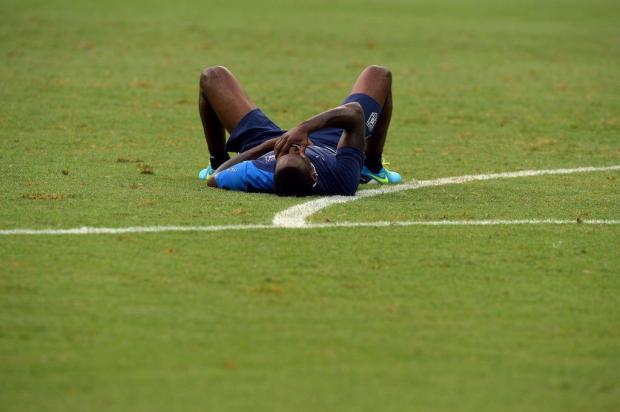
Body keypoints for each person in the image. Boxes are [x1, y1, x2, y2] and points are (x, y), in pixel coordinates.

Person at [197, 65, 401, 196]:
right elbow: (355, 113)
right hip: (333, 145)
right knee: (379, 75)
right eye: (299, 154)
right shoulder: (342, 179)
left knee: (212, 76)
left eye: (283, 154)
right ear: (314, 174)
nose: (292, 148)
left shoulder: (260, 173)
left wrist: (270, 146)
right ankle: (373, 167)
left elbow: (215, 177)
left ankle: (215, 156)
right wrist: (305, 128)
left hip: (264, 143)